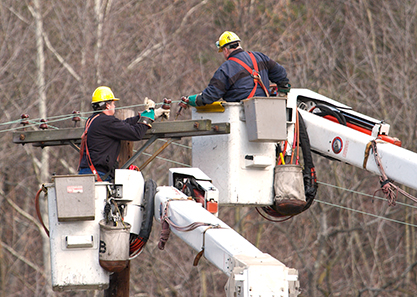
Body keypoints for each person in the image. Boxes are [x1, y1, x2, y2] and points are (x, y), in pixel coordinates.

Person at [78, 86, 169, 181]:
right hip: (98, 174)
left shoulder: (93, 120)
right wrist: (148, 115)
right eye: (113, 103)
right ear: (107, 105)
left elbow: (124, 124)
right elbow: (136, 133)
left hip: (88, 174)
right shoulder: (105, 121)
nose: (114, 106)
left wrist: (147, 115)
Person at [180, 31, 291, 108]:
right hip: (266, 109)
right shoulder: (260, 57)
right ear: (238, 45)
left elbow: (211, 95)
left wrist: (193, 100)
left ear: (225, 50)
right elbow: (281, 73)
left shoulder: (226, 69)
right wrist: (283, 90)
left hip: (240, 115)